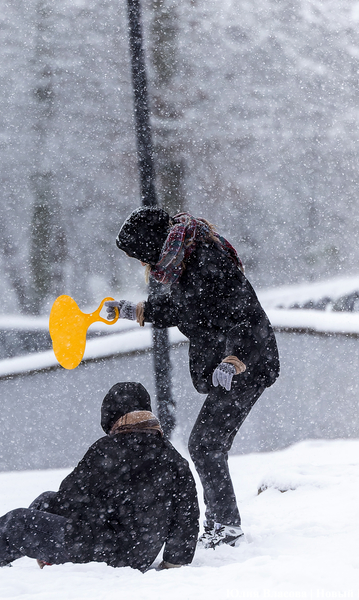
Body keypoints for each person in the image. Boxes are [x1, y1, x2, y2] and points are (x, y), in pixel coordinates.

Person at [0, 382, 199, 580]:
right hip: (137, 552)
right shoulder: (172, 457)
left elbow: (71, 499)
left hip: (110, 553)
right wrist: (173, 562)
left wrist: (47, 537)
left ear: (112, 417)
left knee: (19, 523)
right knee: (44, 501)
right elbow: (187, 516)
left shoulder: (108, 449)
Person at [105, 206, 279, 549]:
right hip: (231, 365)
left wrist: (235, 359)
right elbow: (186, 309)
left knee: (205, 443)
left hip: (248, 363)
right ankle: (220, 524)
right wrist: (135, 310)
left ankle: (225, 527)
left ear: (151, 245)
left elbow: (246, 314)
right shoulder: (185, 260)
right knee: (207, 444)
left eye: (139, 255)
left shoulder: (205, 261)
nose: (140, 263)